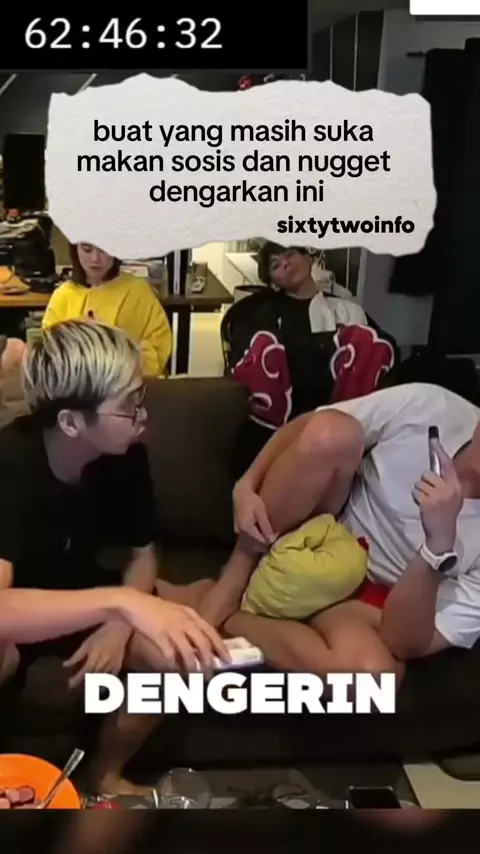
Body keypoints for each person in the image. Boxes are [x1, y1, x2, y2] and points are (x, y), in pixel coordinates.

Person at [0, 318, 227, 794]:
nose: (142, 417)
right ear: (71, 422)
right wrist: (121, 604)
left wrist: (119, 624)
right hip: (23, 607)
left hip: (86, 594)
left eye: (141, 399)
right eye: (129, 406)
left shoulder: (127, 457)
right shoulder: (10, 463)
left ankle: (103, 774)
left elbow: (144, 555)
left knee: (176, 658)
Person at [187, 382, 479, 685]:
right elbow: (310, 424)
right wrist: (246, 484)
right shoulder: (431, 405)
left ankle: (230, 615)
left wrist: (437, 547)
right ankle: (235, 577)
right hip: (318, 526)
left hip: (370, 600)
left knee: (372, 681)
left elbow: (406, 643)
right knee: (333, 432)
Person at [222, 242, 397, 474]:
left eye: (290, 254)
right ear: (273, 282)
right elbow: (256, 357)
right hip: (289, 404)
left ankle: (343, 431)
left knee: (366, 340)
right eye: (275, 264)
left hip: (338, 403)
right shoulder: (260, 314)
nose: (285, 263)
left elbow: (371, 356)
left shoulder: (347, 310)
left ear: (309, 258)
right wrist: (327, 347)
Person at [42, 243, 172, 377]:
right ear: (75, 249)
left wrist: (123, 361)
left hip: (126, 383)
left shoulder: (138, 291)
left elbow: (158, 346)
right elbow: (49, 352)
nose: (95, 258)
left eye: (103, 250)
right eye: (87, 249)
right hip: (74, 385)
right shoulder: (63, 296)